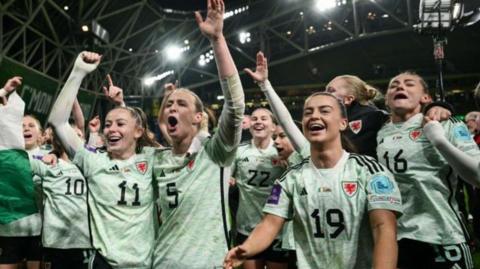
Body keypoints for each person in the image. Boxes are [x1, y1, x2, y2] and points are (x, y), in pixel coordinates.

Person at [224, 92, 403, 269]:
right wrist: (246, 249)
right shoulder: (291, 178)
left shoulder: (370, 171)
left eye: (324, 111)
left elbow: (383, 229)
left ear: (343, 123)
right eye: (308, 112)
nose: (314, 116)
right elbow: (270, 223)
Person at [152, 0, 245, 267]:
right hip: (161, 262)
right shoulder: (156, 160)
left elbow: (236, 105)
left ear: (198, 118)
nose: (172, 106)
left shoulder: (215, 152)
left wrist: (217, 39)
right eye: (169, 104)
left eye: (181, 104)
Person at [48, 51, 157, 269]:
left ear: (138, 132)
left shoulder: (152, 159)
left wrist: (122, 104)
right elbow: (58, 122)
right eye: (107, 124)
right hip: (104, 263)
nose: (111, 129)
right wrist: (78, 72)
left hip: (148, 263)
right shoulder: (93, 161)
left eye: (119, 124)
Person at [377, 71, 480, 269]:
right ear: (387, 101)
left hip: (442, 234)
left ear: (425, 98)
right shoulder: (379, 131)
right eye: (393, 85)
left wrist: (439, 141)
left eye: (409, 84)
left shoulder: (446, 124)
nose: (400, 87)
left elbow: (477, 175)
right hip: (395, 239)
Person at [231, 108, 289, 269]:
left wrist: (288, 164)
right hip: (247, 227)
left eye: (264, 118)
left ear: (273, 127)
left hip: (278, 229)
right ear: (249, 125)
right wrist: (229, 178)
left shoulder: (282, 151)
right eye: (255, 119)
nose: (258, 121)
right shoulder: (239, 152)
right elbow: (226, 176)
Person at [30, 127, 93, 269]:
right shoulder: (47, 164)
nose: (75, 139)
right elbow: (16, 162)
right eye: (70, 135)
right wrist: (44, 155)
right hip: (54, 242)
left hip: (84, 241)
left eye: (78, 135)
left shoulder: (91, 166)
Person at [0, 77, 42, 269]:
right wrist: (3, 92)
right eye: (21, 126)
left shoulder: (50, 157)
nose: (25, 128)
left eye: (31, 125)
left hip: (39, 231)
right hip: (8, 230)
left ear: (41, 134)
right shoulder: (6, 155)